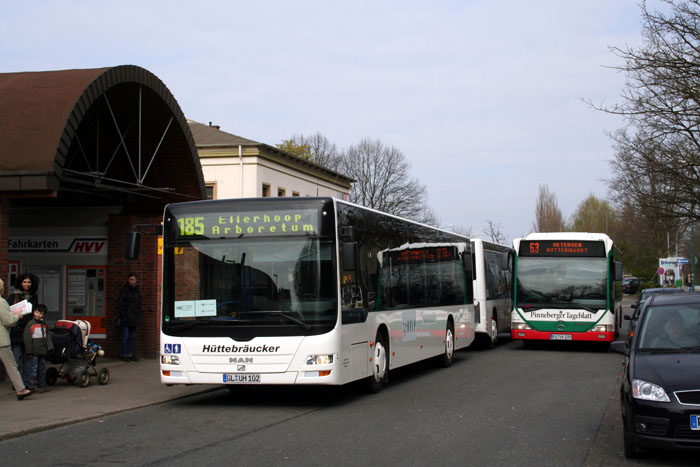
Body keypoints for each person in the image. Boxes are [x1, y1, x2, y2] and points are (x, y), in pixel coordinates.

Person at [0, 278, 33, 400]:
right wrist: (17, 316)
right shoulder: (1, 302)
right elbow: (8, 321)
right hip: (1, 340)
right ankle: (21, 389)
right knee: (11, 365)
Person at [7, 272, 38, 381]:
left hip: (29, 331)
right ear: (20, 283)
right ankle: (16, 383)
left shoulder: (34, 296)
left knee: (28, 359)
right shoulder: (13, 296)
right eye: (25, 282)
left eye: (29, 282)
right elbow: (8, 312)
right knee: (16, 358)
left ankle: (26, 382)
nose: (27, 284)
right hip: (17, 331)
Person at [23, 303, 53, 392]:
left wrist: (50, 348)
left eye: (41, 313)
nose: (38, 315)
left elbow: (47, 337)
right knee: (33, 369)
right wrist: (29, 351)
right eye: (37, 312)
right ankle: (31, 386)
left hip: (42, 351)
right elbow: (27, 339)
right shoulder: (30, 324)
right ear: (34, 312)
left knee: (42, 369)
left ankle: (41, 385)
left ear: (44, 315)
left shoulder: (44, 325)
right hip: (33, 352)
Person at [117, 273, 142, 362]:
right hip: (126, 318)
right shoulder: (124, 290)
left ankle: (130, 354)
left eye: (133, 279)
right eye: (131, 279)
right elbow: (121, 304)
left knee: (132, 337)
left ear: (136, 280)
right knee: (125, 337)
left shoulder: (137, 291)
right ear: (128, 280)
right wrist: (123, 315)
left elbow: (138, 305)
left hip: (134, 318)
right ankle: (124, 354)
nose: (132, 281)